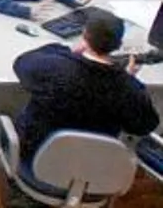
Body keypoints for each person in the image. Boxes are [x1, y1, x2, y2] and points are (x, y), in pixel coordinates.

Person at [12, 11, 159, 173]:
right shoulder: (128, 88)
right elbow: (145, 125)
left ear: (84, 35)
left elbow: (21, 63)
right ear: (118, 45)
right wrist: (130, 78)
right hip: (91, 171)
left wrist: (67, 51)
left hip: (35, 160)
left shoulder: (56, 68)